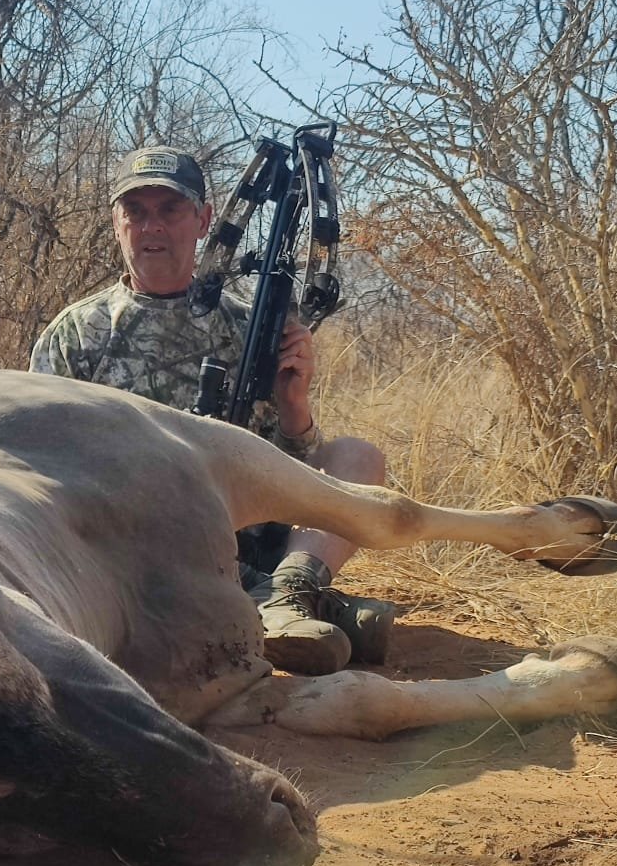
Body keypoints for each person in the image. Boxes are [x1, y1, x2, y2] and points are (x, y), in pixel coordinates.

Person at [29, 145, 393, 676]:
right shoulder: (76, 333)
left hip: (243, 533)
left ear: (202, 221)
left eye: (170, 210)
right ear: (117, 223)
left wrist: (295, 406)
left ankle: (288, 592)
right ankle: (273, 615)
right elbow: (37, 463)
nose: (152, 226)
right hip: (126, 548)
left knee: (356, 459)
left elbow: (290, 464)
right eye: (136, 211)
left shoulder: (252, 326)